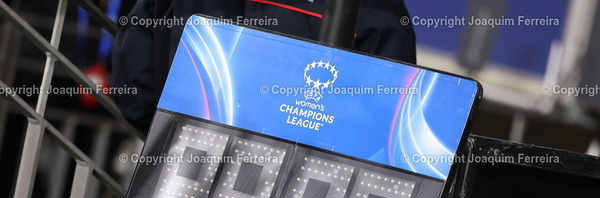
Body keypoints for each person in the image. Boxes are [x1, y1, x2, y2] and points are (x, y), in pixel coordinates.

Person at [111, 0, 416, 134]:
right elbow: (382, 132)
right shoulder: (380, 11)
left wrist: (177, 135)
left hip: (183, 179)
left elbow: (136, 91)